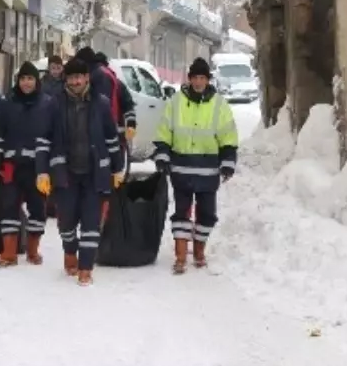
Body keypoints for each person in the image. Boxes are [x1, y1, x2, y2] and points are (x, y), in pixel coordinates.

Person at [153, 57, 238, 274]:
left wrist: (228, 162)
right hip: (181, 169)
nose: (198, 82)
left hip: (208, 170)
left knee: (207, 214)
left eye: (202, 78)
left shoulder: (219, 104)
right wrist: (162, 155)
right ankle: (181, 255)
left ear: (208, 80)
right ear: (189, 79)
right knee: (181, 212)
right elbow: (164, 131)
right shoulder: (176, 102)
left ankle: (199, 249)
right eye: (195, 78)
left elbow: (227, 135)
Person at [45, 57, 124, 286]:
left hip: (94, 173)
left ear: (87, 78)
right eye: (71, 77)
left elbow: (111, 139)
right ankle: (70, 251)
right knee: (66, 222)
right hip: (66, 173)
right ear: (66, 79)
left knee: (91, 221)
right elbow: (45, 139)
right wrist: (43, 171)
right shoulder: (55, 104)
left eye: (79, 77)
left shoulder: (101, 103)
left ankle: (86, 267)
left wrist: (117, 168)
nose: (75, 81)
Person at [0, 62, 55, 267]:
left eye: (30, 79)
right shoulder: (7, 103)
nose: (26, 83)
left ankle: (33, 251)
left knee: (38, 209)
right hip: (12, 165)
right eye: (23, 79)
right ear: (17, 81)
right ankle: (9, 253)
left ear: (37, 81)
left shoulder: (48, 104)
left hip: (38, 167)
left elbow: (54, 136)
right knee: (8, 207)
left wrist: (50, 166)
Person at [76, 48, 137, 162]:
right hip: (115, 130)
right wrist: (131, 123)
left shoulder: (97, 76)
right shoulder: (110, 76)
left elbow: (99, 106)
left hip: (105, 131)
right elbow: (127, 101)